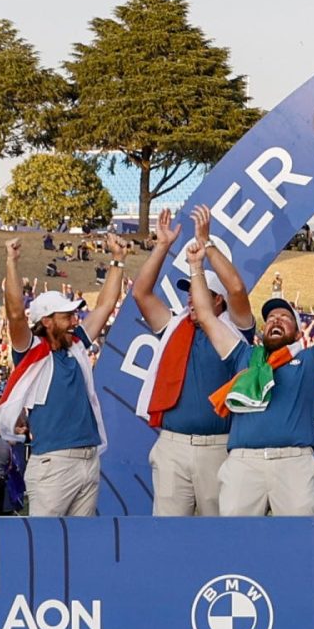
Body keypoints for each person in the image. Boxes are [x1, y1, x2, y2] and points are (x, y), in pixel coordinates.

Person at [201, 241, 314, 515]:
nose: (275, 320)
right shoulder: (245, 355)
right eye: (270, 318)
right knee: (238, 544)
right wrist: (196, 266)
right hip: (243, 462)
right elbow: (206, 316)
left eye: (284, 317)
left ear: (299, 334)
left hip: (294, 463)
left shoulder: (312, 360)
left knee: (300, 545)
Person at [129, 213, 254, 517]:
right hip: (172, 447)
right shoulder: (174, 325)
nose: (190, 298)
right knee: (168, 536)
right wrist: (162, 246)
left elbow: (236, 288)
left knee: (217, 536)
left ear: (219, 302)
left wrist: (206, 244)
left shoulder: (235, 329)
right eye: (189, 291)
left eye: (200, 293)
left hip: (219, 447)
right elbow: (140, 294)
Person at [0, 238, 127, 517]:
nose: (75, 321)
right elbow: (16, 313)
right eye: (67, 317)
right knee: (45, 546)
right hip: (53, 463)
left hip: (88, 460)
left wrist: (117, 260)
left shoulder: (75, 345)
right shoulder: (30, 351)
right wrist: (11, 261)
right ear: (47, 322)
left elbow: (104, 306)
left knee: (80, 546)